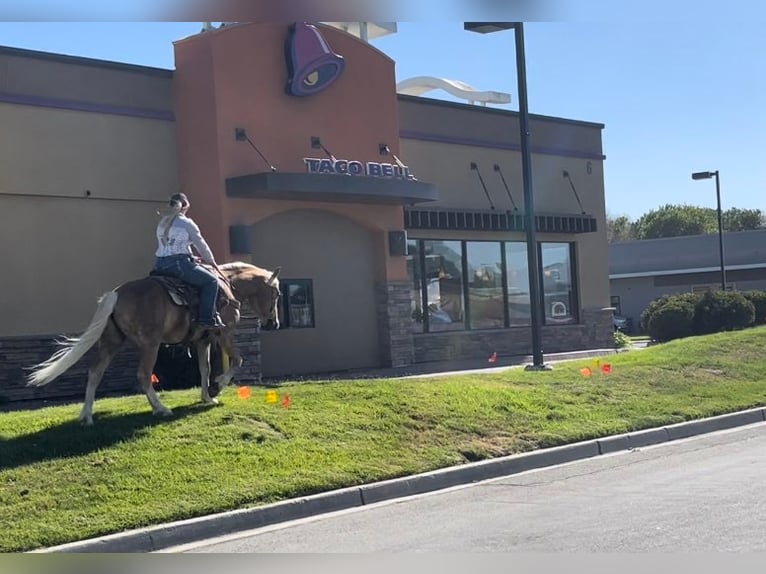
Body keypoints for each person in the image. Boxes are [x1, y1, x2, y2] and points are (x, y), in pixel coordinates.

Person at [153, 192, 224, 329]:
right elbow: (200, 244)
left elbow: (169, 245)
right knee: (211, 282)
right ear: (185, 206)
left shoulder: (162, 222)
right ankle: (206, 319)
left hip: (160, 265)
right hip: (178, 265)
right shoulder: (187, 223)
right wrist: (211, 261)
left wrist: (191, 257)